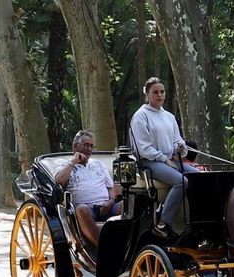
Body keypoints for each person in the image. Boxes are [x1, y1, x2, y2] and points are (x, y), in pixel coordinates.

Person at [128, 77, 199, 235]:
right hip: (149, 162)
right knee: (182, 181)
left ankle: (195, 220)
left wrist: (180, 148)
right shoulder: (140, 116)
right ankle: (163, 223)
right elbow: (144, 148)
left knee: (199, 177)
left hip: (170, 160)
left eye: (162, 92)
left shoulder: (169, 116)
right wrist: (164, 159)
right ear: (147, 94)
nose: (159, 95)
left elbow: (177, 140)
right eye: (155, 92)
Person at [54, 129, 122, 245]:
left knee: (130, 204)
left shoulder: (98, 164)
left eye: (91, 146)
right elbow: (59, 181)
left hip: (107, 206)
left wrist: (111, 201)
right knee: (81, 209)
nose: (90, 149)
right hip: (86, 210)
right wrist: (74, 162)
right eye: (86, 145)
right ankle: (103, 248)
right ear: (75, 146)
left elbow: (111, 188)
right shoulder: (64, 164)